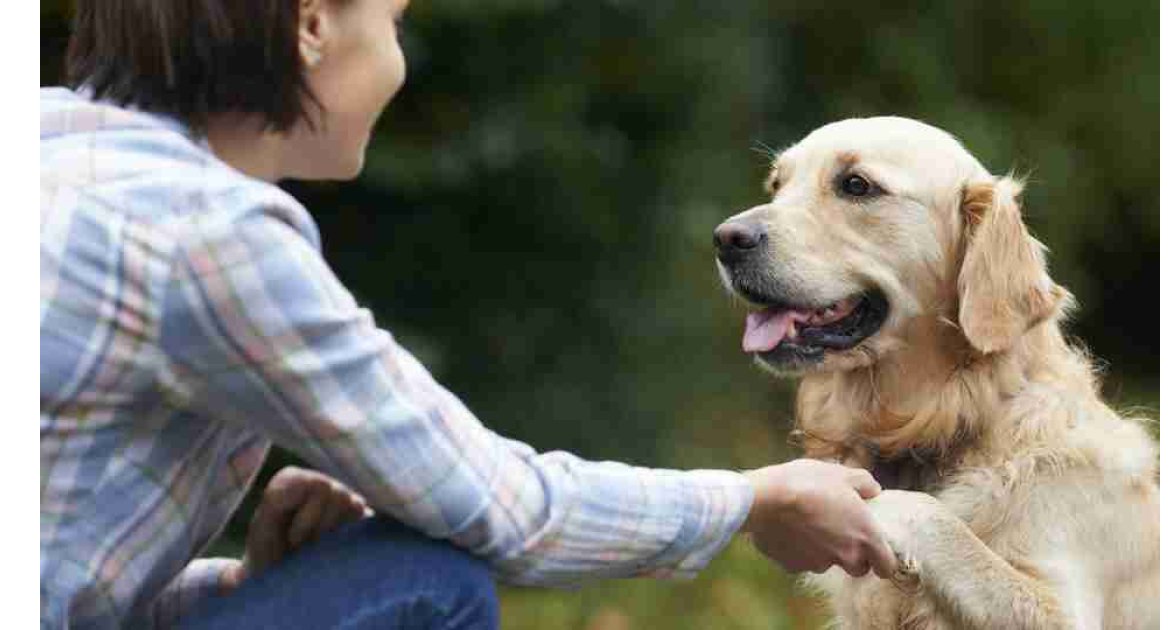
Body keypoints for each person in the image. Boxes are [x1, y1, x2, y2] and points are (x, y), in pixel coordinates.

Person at [39, 0, 897, 627]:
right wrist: (753, 500)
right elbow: (506, 510)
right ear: (312, 27)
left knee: (369, 567)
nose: (400, 63)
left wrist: (246, 586)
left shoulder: (43, 140)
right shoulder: (211, 235)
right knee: (424, 581)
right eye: (394, 24)